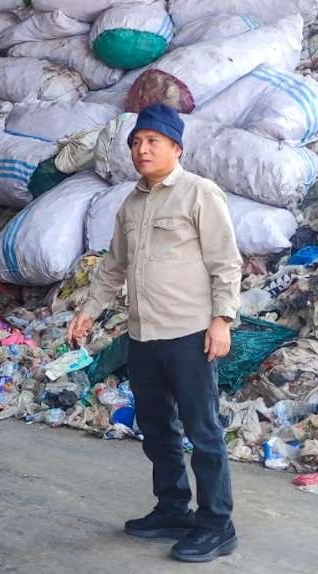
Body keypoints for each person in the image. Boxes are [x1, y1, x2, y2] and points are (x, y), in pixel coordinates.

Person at [67, 103, 243, 564]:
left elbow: (226, 261)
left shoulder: (199, 194)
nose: (142, 149)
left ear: (176, 148)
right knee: (157, 429)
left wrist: (222, 318)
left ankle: (216, 525)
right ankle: (171, 509)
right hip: (143, 335)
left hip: (189, 334)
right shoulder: (132, 203)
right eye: (136, 142)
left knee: (203, 432)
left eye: (153, 141)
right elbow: (113, 266)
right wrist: (88, 311)